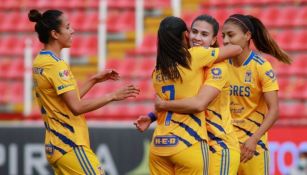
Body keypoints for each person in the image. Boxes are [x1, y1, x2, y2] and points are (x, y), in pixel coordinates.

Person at [28, 9, 140, 175]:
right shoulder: (55, 65)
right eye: (67, 27)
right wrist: (113, 96)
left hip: (56, 145)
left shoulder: (41, 60)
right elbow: (76, 107)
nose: (72, 30)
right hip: (69, 143)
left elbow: (68, 99)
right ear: (55, 34)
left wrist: (94, 80)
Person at [135, 14, 241, 175]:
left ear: (213, 40)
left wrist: (158, 109)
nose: (197, 37)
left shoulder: (158, 71)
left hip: (218, 143)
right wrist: (153, 115)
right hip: (192, 142)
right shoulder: (193, 59)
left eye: (204, 34)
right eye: (194, 32)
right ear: (186, 34)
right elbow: (185, 101)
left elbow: (193, 102)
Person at [221, 14, 291, 175]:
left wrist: (254, 139)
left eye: (231, 35)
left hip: (253, 146)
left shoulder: (261, 67)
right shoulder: (220, 65)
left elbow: (274, 110)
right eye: (223, 36)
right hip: (225, 145)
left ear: (247, 36)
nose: (225, 41)